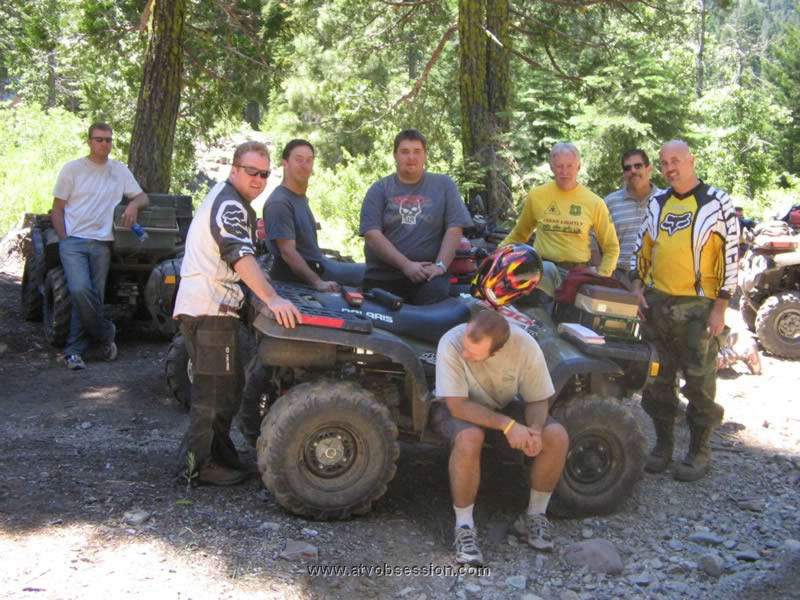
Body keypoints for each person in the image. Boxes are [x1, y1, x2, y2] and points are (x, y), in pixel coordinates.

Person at [173, 141, 301, 486]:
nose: (259, 179)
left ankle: (219, 458)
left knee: (226, 390)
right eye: (251, 172)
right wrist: (272, 298)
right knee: (213, 396)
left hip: (212, 307)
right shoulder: (230, 204)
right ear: (234, 170)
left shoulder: (230, 199)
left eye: (264, 174)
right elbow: (238, 254)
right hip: (211, 309)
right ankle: (196, 467)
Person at [431, 247, 568, 566]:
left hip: (503, 404)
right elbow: (458, 407)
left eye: (474, 353)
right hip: (458, 409)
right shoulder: (452, 342)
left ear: (497, 351)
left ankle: (534, 516)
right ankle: (464, 526)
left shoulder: (525, 346)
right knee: (470, 437)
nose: (465, 354)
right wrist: (509, 427)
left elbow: (537, 398)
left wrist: (533, 430)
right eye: (466, 345)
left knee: (555, 435)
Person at [630, 140, 739, 482]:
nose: (670, 167)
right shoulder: (657, 203)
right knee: (657, 381)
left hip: (699, 308)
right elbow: (642, 247)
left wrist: (720, 307)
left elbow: (732, 258)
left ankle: (699, 450)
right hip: (658, 305)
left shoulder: (716, 202)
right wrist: (636, 287)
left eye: (676, 160)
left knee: (699, 383)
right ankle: (663, 446)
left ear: (691, 160)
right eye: (664, 162)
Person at [52, 122, 149, 371]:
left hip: (102, 243)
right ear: (89, 141)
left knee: (92, 296)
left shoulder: (119, 170)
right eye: (99, 139)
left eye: (108, 140)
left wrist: (132, 205)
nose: (104, 144)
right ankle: (107, 332)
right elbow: (58, 208)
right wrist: (64, 238)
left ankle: (74, 351)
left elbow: (142, 196)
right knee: (80, 289)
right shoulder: (73, 169)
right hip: (73, 241)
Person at [359, 129, 472, 304]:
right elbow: (372, 235)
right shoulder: (379, 189)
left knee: (439, 306)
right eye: (405, 152)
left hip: (429, 275)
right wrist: (406, 265)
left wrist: (440, 266)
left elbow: (455, 228)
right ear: (395, 155)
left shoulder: (444, 185)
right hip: (384, 277)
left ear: (425, 155)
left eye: (417, 151)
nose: (411, 157)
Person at [501, 142, 619, 297]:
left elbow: (611, 247)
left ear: (578, 167)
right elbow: (519, 235)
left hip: (575, 275)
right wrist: (496, 255)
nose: (564, 172)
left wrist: (602, 276)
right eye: (559, 166)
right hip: (541, 270)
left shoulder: (594, 202)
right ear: (551, 167)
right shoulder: (537, 195)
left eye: (569, 166)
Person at [263, 139, 340, 292]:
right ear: (285, 163)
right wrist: (318, 282)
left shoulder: (298, 197)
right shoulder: (279, 203)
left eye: (309, 160)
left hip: (319, 262)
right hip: (302, 274)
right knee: (368, 273)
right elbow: (288, 252)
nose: (304, 165)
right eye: (298, 160)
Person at [603, 149, 662, 284]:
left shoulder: (665, 201)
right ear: (624, 174)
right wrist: (603, 272)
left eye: (638, 166)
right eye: (627, 168)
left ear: (649, 169)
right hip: (618, 278)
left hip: (656, 281)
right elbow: (594, 238)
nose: (633, 171)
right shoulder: (610, 202)